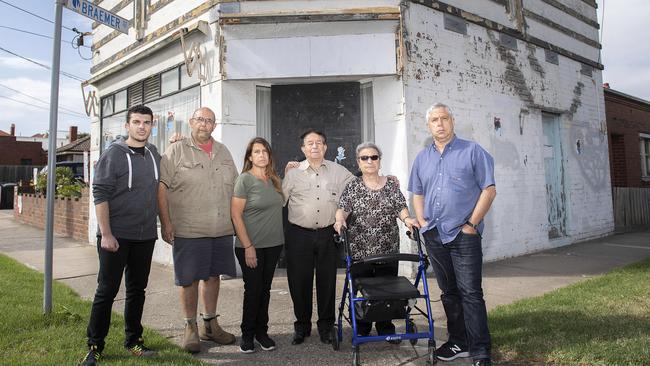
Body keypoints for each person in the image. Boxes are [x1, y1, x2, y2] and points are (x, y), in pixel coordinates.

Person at [408, 103, 496, 366]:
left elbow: (488, 190)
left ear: (452, 121)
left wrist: (471, 224)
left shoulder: (473, 151)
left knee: (470, 292)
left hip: (463, 235)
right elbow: (417, 191)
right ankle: (459, 341)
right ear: (428, 126)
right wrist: (422, 220)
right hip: (434, 235)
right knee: (448, 292)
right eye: (434, 119)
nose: (440, 123)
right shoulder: (422, 158)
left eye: (444, 118)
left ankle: (480, 351)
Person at [81, 105, 161, 366]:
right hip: (115, 236)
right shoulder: (113, 154)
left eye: (146, 122)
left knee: (137, 289)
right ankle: (95, 346)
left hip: (144, 236)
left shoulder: (154, 154)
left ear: (152, 125)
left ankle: (133, 341)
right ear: (127, 126)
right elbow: (100, 194)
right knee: (106, 290)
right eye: (136, 122)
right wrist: (106, 234)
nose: (142, 127)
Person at [158, 107, 238, 353]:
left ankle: (210, 324)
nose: (204, 124)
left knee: (213, 276)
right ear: (191, 122)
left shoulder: (223, 151)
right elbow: (162, 188)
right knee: (189, 280)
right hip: (189, 229)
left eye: (209, 121)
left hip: (221, 228)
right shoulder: (175, 150)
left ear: (214, 125)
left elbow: (237, 186)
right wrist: (166, 223)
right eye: (200, 120)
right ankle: (190, 327)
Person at [333, 142, 418, 339]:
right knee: (362, 289)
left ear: (380, 161)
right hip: (360, 252)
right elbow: (343, 209)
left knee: (386, 291)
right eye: (365, 158)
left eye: (374, 157)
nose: (369, 161)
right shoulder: (353, 185)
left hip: (388, 249)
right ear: (358, 162)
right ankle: (362, 325)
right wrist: (339, 220)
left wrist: (408, 220)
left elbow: (400, 208)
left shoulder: (390, 185)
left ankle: (385, 326)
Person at [282, 129, 355, 345]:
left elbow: (359, 188)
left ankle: (326, 327)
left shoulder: (339, 171)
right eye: (310, 143)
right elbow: (277, 199)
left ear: (325, 147)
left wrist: (386, 178)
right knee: (299, 281)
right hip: (298, 235)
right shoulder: (292, 173)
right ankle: (301, 326)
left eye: (319, 143)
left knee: (327, 281)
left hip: (327, 234)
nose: (315, 146)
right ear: (303, 148)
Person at [231, 137, 285, 353]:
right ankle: (247, 335)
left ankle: (262, 333)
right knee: (253, 290)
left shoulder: (274, 180)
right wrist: (248, 247)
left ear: (269, 155)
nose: (261, 155)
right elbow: (235, 215)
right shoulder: (244, 180)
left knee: (265, 290)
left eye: (265, 151)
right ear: (250, 157)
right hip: (250, 246)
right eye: (257, 152)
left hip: (273, 246)